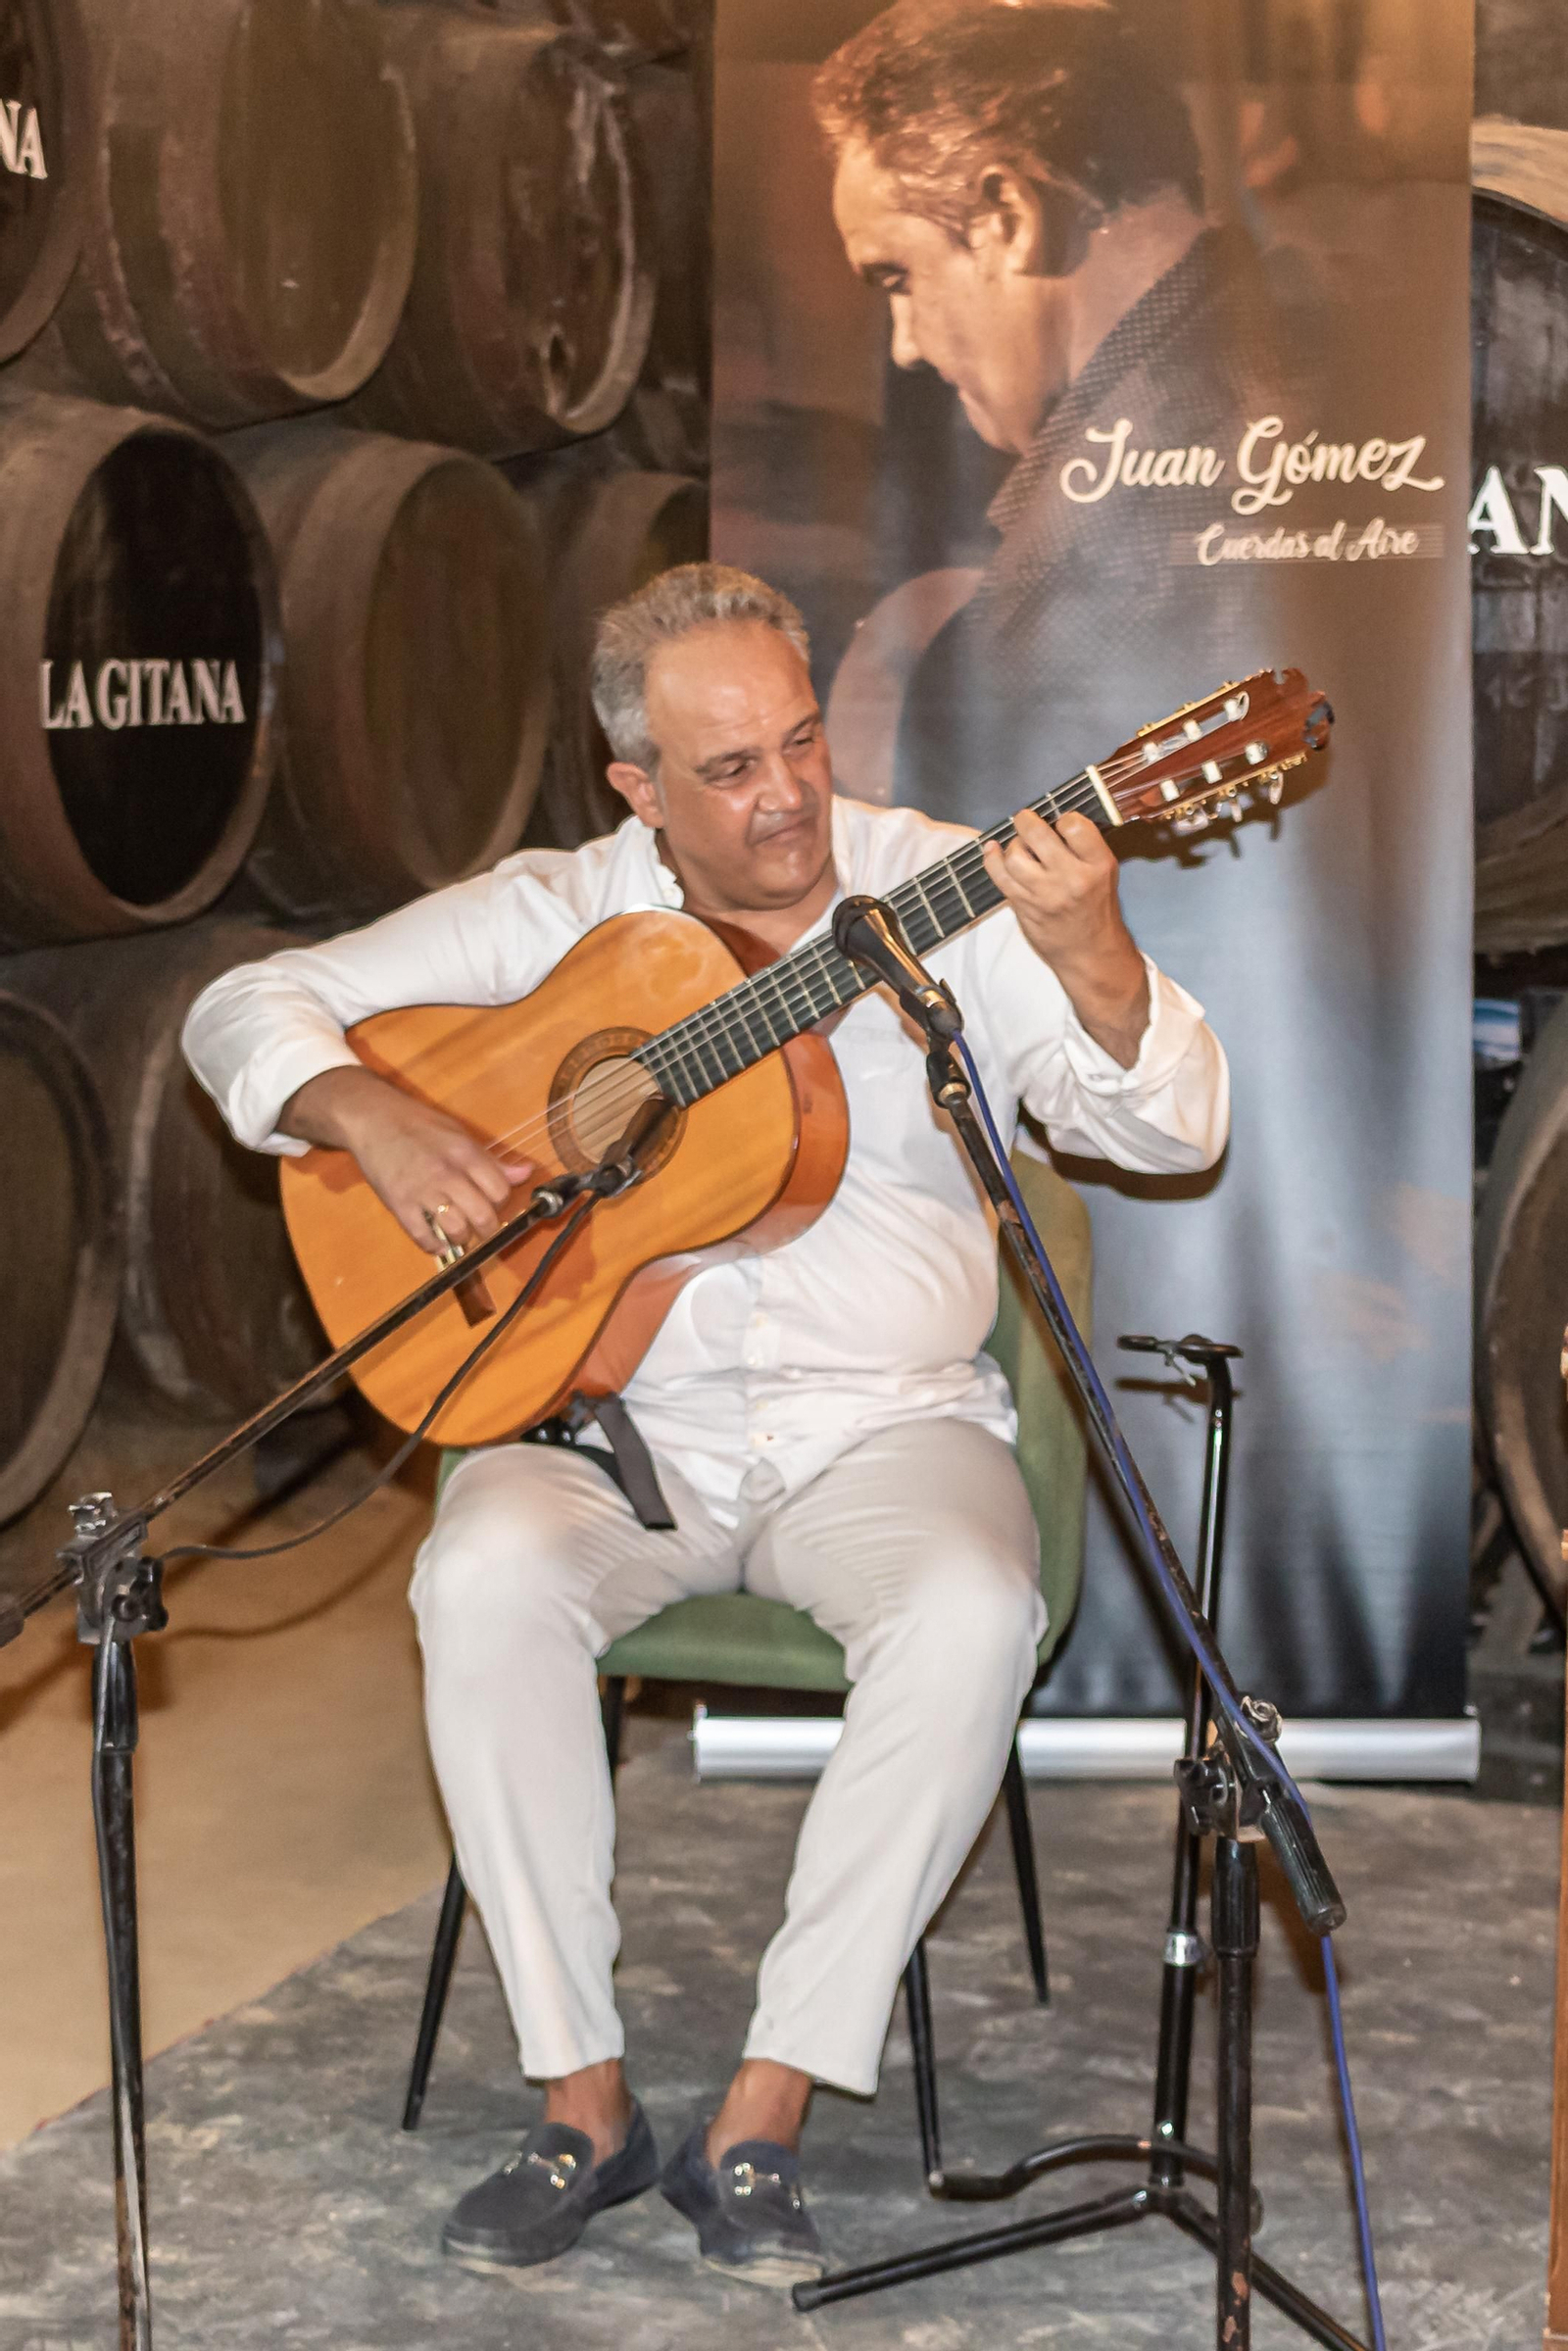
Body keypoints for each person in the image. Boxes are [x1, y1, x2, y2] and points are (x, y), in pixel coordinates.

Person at [183, 563, 1228, 2287]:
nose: (789, 795)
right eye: (730, 768)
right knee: (478, 1579)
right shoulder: (557, 911)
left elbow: (1176, 1129)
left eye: (802, 740)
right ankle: (581, 2097)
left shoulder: (942, 886)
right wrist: (368, 1110)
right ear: (638, 786)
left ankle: (769, 2097)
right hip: (617, 1425)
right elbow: (241, 1005)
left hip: (885, 1426)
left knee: (973, 1610)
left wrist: (1093, 950)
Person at [813, 0, 1315, 824]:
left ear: (1008, 219)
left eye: (897, 277)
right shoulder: (1357, 354)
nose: (904, 346)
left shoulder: (1056, 607)